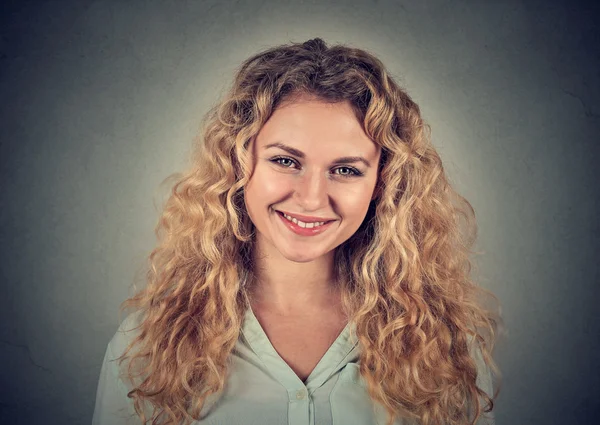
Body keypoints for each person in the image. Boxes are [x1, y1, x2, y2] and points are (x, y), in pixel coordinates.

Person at [92, 38, 503, 425]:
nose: (310, 198)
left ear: (383, 183)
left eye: (345, 170)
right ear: (238, 162)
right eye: (286, 161)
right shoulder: (149, 347)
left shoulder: (445, 349)